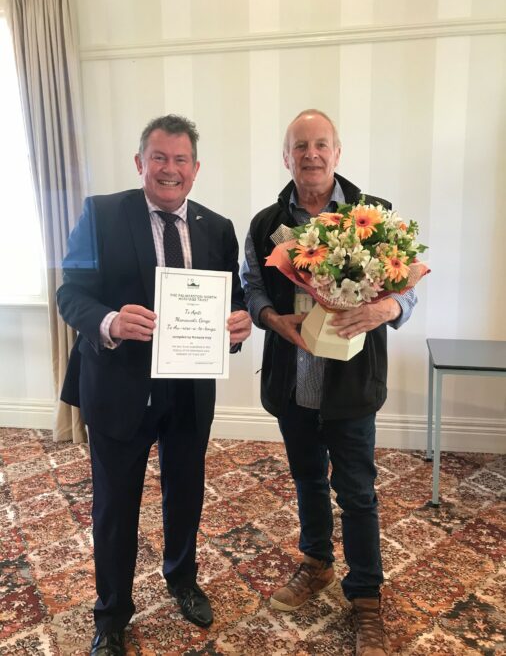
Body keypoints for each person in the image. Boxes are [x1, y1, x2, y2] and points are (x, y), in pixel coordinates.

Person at [57, 114, 251, 656]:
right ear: (140, 162)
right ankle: (112, 612)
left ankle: (182, 579)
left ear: (196, 168)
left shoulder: (218, 226)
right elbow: (71, 293)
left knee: (186, 488)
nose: (170, 170)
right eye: (159, 158)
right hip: (120, 386)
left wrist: (238, 325)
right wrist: (111, 322)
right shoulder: (102, 214)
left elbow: (230, 301)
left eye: (180, 160)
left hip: (188, 386)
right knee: (115, 504)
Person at [241, 109, 417, 656]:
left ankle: (365, 596)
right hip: (294, 379)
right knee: (307, 479)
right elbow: (252, 286)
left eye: (321, 144)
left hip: (352, 382)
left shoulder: (378, 217)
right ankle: (316, 560)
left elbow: (408, 289)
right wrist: (273, 318)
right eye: (300, 146)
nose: (311, 154)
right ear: (287, 156)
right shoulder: (265, 222)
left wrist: (388, 306)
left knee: (358, 492)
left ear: (337, 153)